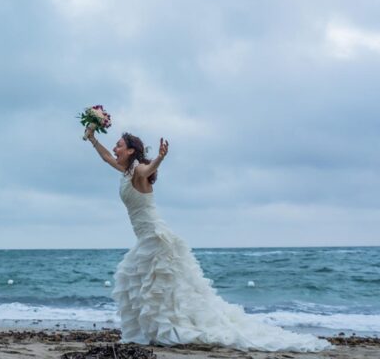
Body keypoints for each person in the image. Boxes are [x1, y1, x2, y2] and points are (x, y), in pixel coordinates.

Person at [84, 127, 330, 351]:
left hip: (155, 237)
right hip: (144, 238)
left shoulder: (138, 170)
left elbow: (148, 170)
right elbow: (106, 157)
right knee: (145, 286)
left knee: (158, 288)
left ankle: (171, 329)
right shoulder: (126, 171)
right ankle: (154, 330)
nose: (115, 149)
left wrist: (160, 158)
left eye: (118, 145)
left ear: (130, 151)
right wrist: (92, 138)